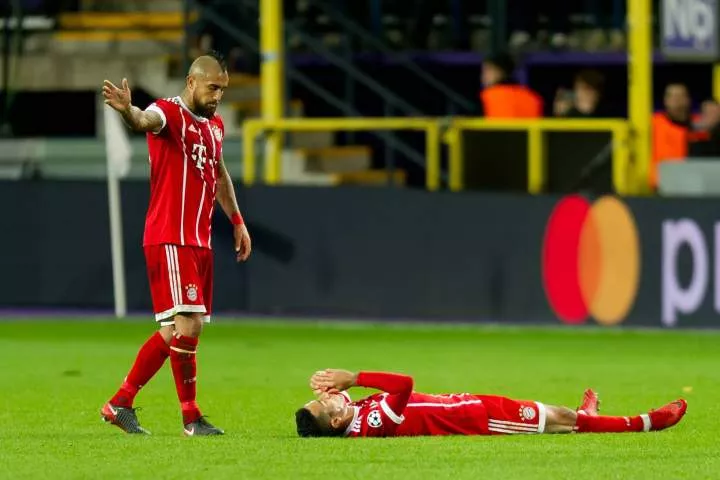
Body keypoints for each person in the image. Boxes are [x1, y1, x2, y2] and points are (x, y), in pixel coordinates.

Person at [100, 52, 252, 436]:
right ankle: (191, 417)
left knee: (174, 332)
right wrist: (127, 111)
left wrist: (237, 220)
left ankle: (120, 402)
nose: (218, 95)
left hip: (198, 242)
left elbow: (218, 175)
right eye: (212, 87)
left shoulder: (215, 126)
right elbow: (143, 120)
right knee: (191, 324)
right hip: (171, 236)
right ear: (191, 82)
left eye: (223, 89)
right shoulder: (168, 111)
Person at [296, 369, 687, 438]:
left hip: (472, 403)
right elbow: (404, 385)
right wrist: (356, 377)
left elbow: (340, 398)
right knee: (564, 419)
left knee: (554, 414)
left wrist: (335, 389)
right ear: (334, 423)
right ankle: (647, 422)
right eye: (325, 405)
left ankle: (590, 416)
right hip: (477, 420)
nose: (328, 399)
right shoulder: (373, 423)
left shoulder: (348, 414)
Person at [479, 52, 543, 118]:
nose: (483, 76)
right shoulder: (534, 97)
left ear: (501, 72)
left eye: (487, 70)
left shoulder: (486, 96)